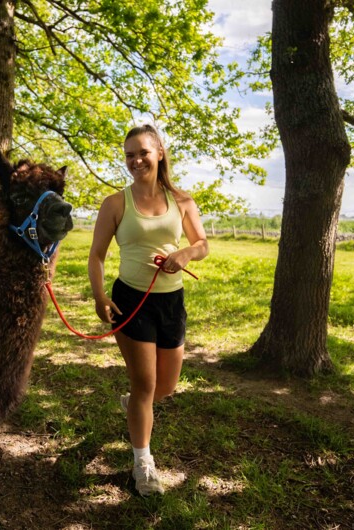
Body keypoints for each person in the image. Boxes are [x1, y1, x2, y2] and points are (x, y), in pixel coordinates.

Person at [88, 124, 209, 496]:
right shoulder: (115, 203)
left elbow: (202, 244)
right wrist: (99, 297)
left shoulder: (182, 201)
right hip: (130, 300)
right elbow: (96, 256)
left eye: (142, 152)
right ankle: (143, 464)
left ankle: (134, 405)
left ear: (159, 152)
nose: (136, 160)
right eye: (129, 154)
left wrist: (184, 253)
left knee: (166, 387)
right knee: (145, 385)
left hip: (171, 302)